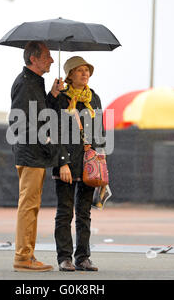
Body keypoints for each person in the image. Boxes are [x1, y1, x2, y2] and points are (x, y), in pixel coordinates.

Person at [9, 41, 63, 272]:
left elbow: (40, 114)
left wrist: (52, 94)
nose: (51, 60)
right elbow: (19, 121)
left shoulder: (33, 83)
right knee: (28, 206)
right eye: (47, 56)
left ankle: (26, 255)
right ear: (34, 59)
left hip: (33, 153)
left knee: (31, 206)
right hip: (31, 153)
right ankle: (23, 257)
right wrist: (45, 139)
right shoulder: (25, 84)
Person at [51, 56, 105, 272]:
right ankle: (64, 258)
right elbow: (56, 133)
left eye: (87, 70)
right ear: (69, 74)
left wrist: (101, 161)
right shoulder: (61, 99)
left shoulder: (95, 98)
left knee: (84, 213)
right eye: (80, 70)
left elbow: (99, 132)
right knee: (65, 212)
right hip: (66, 164)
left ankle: (83, 257)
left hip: (89, 165)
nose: (85, 74)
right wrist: (62, 163)